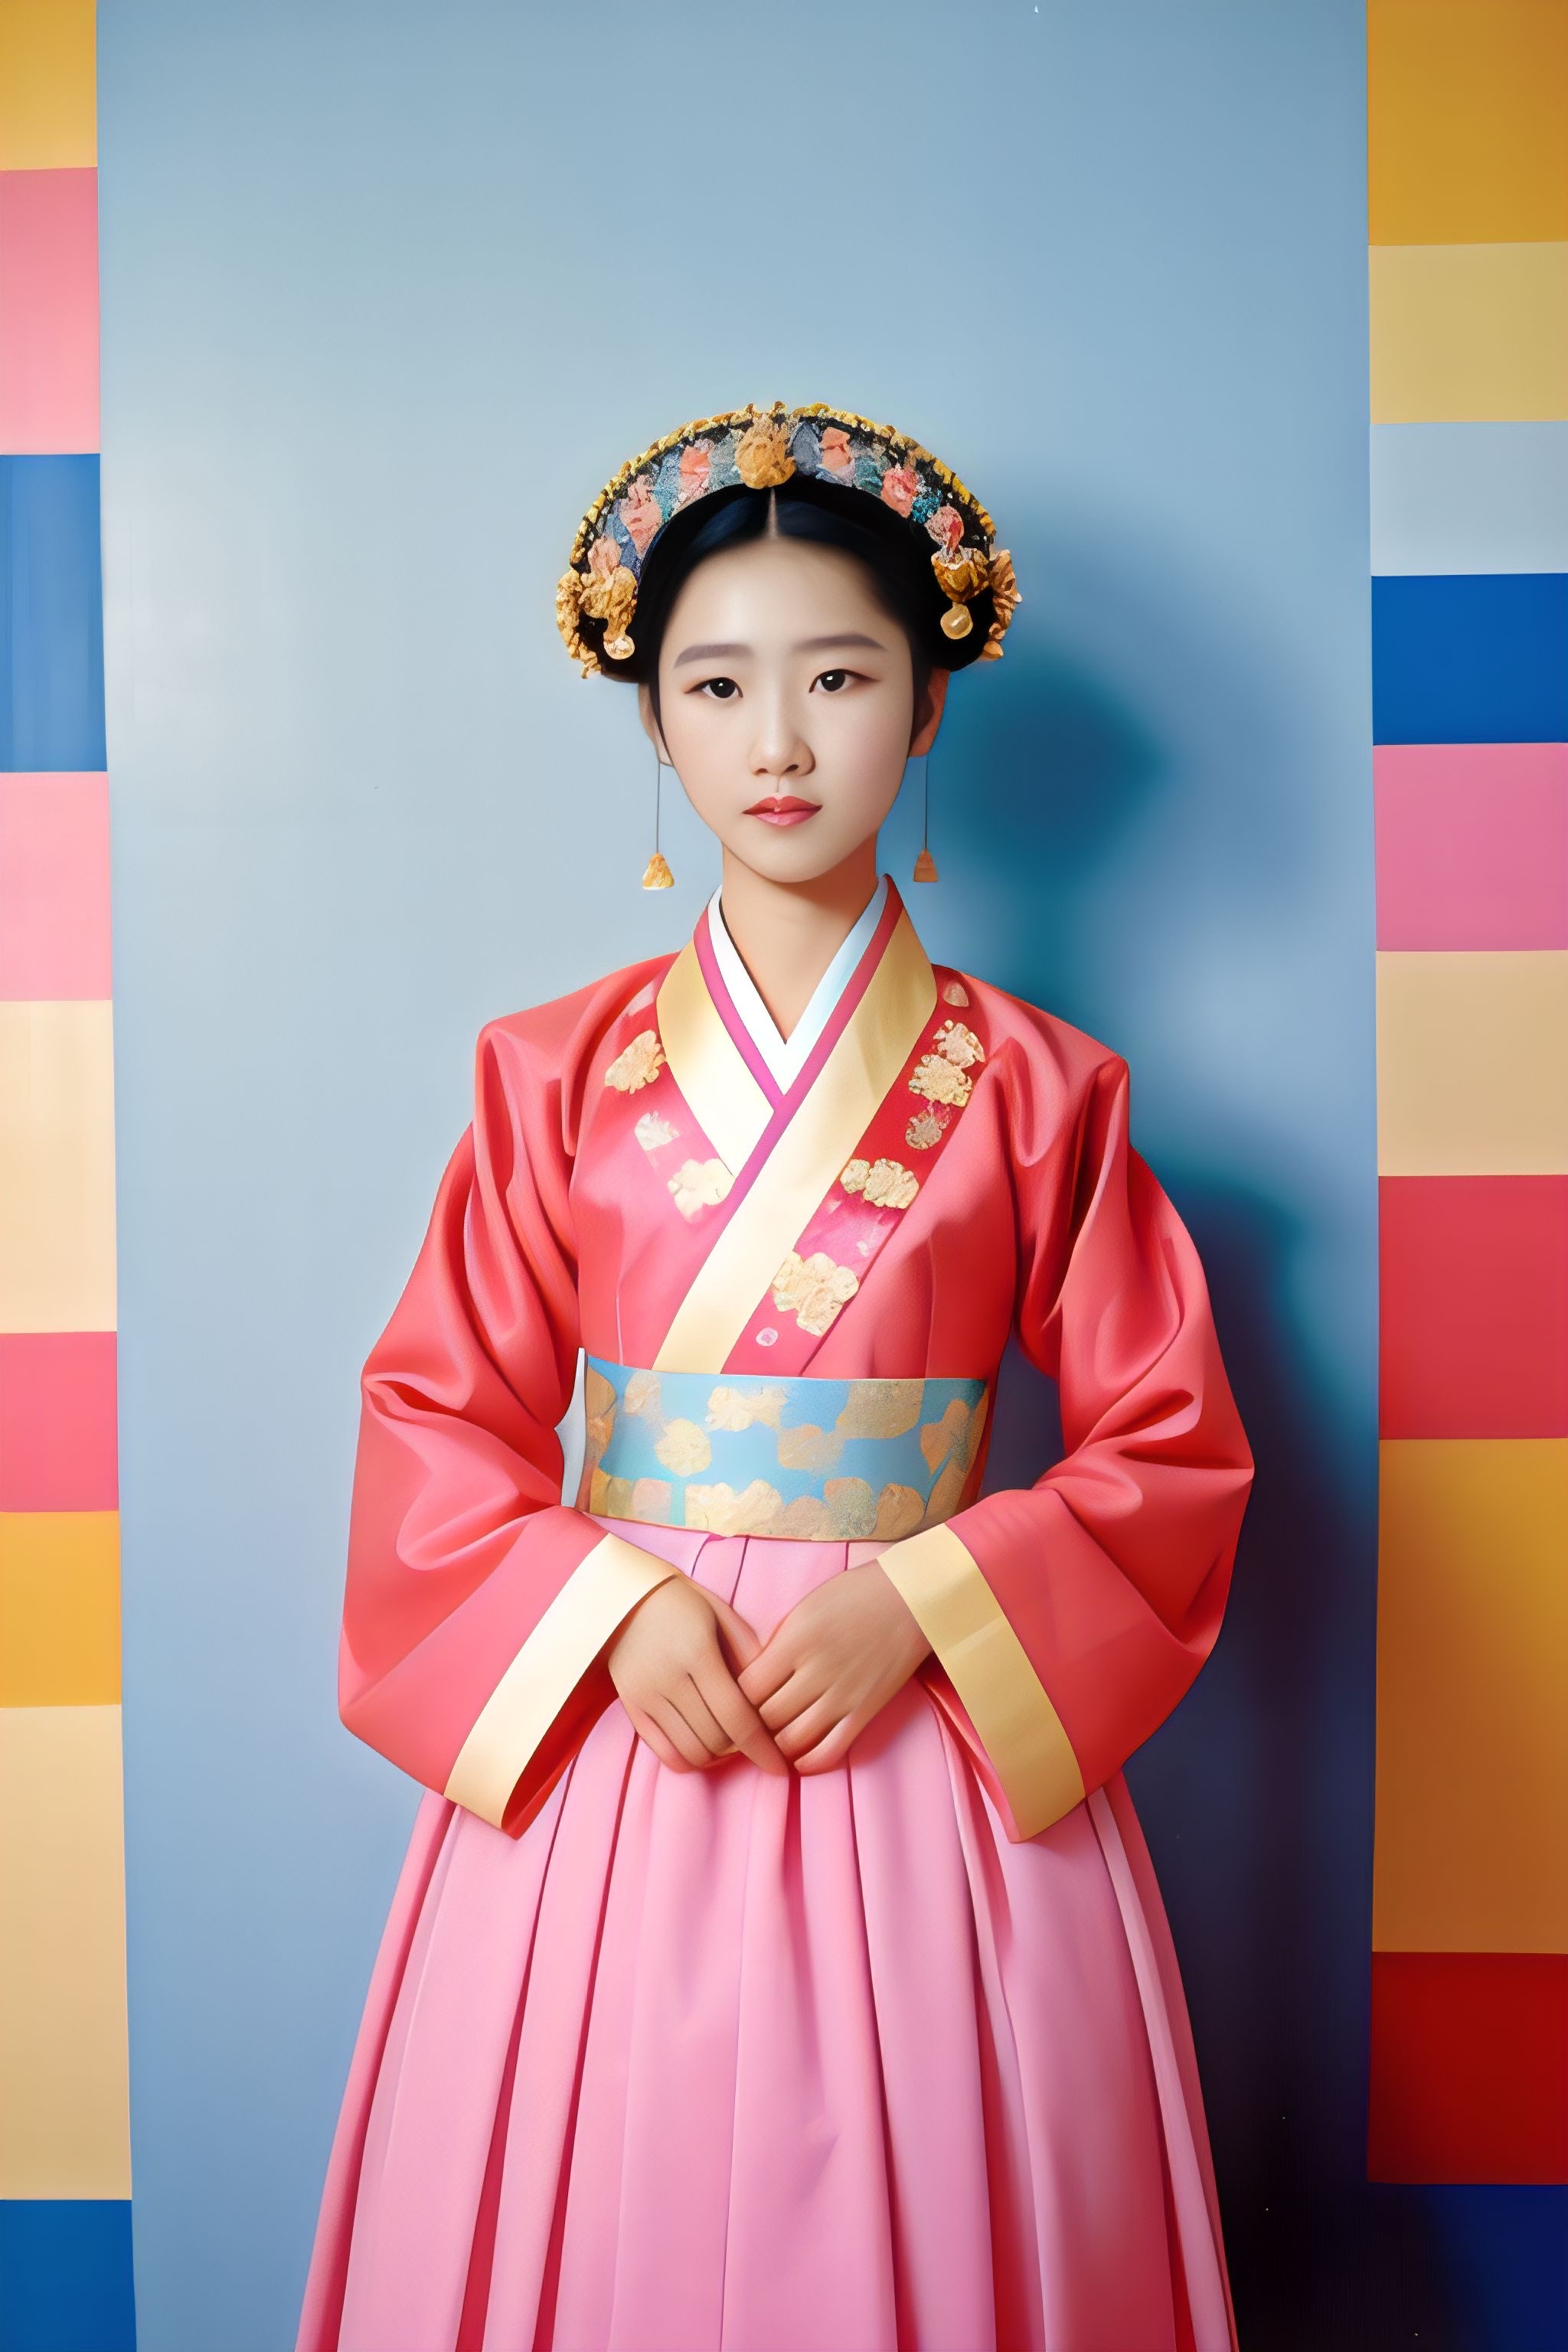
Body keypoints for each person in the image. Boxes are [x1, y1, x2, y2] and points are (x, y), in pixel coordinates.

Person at [296, 401, 1255, 2352]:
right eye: (716, 685)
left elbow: (1169, 1447)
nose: (782, 742)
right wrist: (598, 1598)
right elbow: (434, 1423)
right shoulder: (541, 1074)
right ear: (656, 724)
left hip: (925, 1719)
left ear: (924, 709)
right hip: (619, 1716)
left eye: (839, 676)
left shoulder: (1045, 1089)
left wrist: (924, 1600)